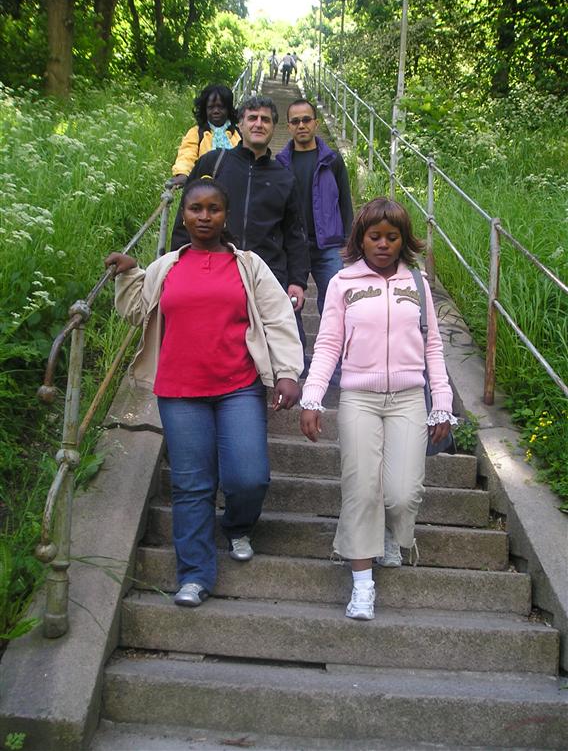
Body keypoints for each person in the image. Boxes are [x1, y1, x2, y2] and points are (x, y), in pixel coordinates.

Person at [105, 179, 303, 608]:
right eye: (196, 208)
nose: (204, 216)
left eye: (214, 209)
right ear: (184, 214)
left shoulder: (247, 264)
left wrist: (287, 372)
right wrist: (130, 272)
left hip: (238, 386)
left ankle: (237, 525)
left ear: (225, 216)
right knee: (192, 485)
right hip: (180, 391)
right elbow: (136, 311)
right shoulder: (167, 266)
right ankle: (194, 574)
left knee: (249, 476)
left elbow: (277, 317)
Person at [299, 197, 457, 621]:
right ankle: (362, 585)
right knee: (362, 489)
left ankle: (390, 535)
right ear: (361, 239)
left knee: (403, 494)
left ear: (403, 240)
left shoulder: (418, 283)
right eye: (375, 236)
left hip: (408, 397)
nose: (383, 244)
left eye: (392, 237)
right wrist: (312, 397)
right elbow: (329, 343)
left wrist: (441, 403)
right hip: (359, 398)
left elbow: (433, 346)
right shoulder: (342, 283)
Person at [171, 96, 309, 312]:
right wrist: (176, 262)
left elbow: (295, 234)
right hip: (215, 272)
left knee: (284, 344)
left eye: (266, 119)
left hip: (268, 277)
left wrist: (298, 281)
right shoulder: (213, 162)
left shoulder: (285, 178)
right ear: (241, 124)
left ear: (274, 128)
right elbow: (185, 217)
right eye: (252, 118)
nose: (258, 124)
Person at [276, 99, 353, 373]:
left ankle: (333, 364)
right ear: (288, 127)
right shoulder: (280, 162)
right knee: (290, 304)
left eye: (306, 119)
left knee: (334, 305)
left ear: (316, 123)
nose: (301, 125)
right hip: (292, 246)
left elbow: (345, 202)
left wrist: (348, 241)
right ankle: (298, 359)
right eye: (295, 121)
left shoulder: (332, 159)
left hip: (328, 245)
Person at [170, 84, 241, 187]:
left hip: (235, 188)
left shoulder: (239, 133)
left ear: (228, 109)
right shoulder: (196, 133)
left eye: (221, 107)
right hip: (204, 190)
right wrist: (182, 173)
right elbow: (187, 154)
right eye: (211, 107)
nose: (216, 111)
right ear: (205, 110)